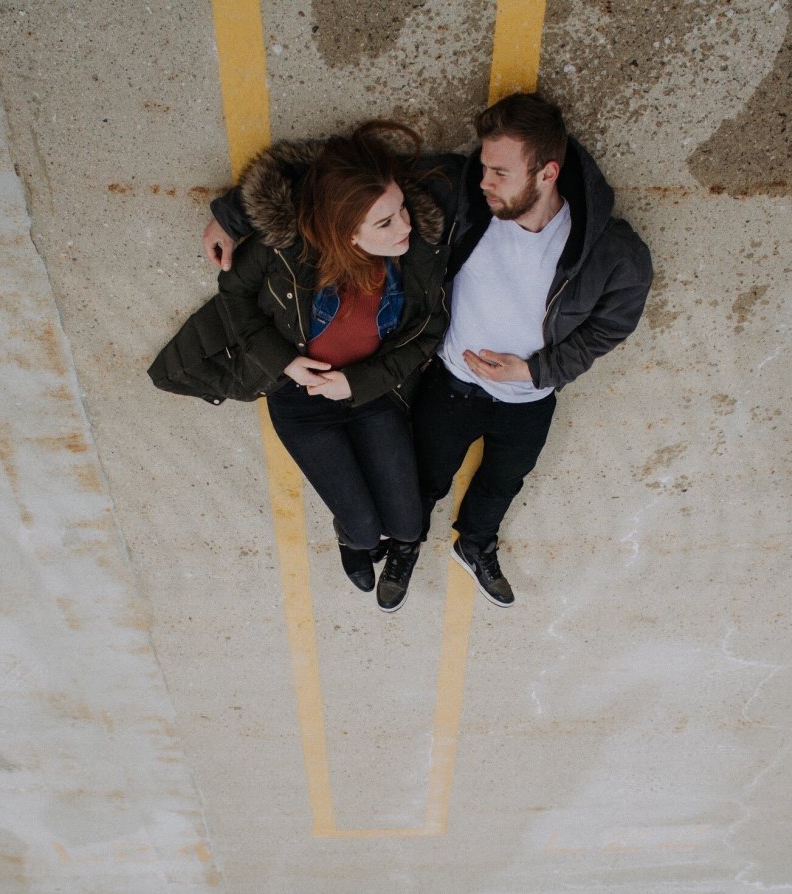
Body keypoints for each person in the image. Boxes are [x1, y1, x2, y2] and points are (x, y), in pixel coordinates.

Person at [203, 94, 652, 608]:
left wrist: (535, 370)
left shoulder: (611, 253)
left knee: (505, 480)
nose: (485, 181)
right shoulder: (460, 192)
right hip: (452, 386)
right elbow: (338, 174)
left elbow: (606, 330)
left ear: (547, 173)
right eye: (484, 167)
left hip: (530, 394)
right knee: (424, 484)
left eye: (500, 172)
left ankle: (476, 544)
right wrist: (232, 215)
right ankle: (400, 544)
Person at [156, 122, 449, 612]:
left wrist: (358, 382)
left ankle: (402, 547)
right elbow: (234, 298)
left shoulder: (415, 252)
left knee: (406, 524)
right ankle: (351, 536)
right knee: (361, 528)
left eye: (401, 209)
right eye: (385, 223)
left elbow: (429, 329)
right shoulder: (287, 252)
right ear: (345, 230)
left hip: (371, 395)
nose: (406, 226)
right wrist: (286, 363)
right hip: (300, 403)